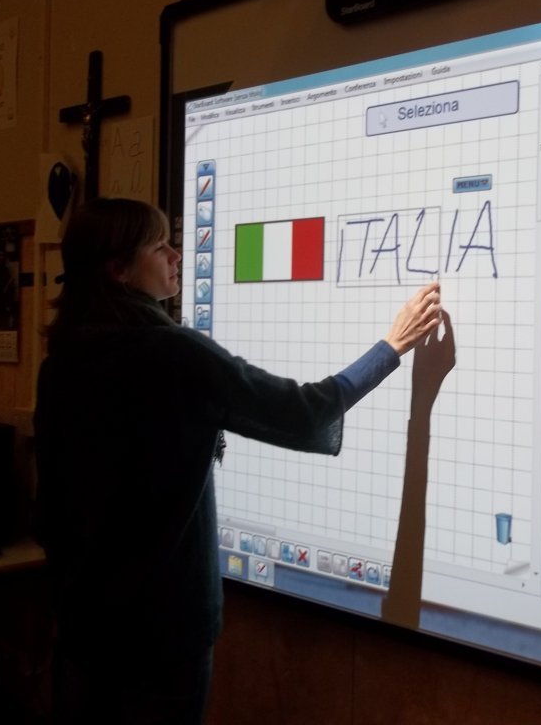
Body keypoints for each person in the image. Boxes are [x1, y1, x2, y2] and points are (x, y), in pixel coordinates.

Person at [34, 197, 442, 724]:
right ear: (119, 270)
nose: (177, 255)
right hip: (161, 637)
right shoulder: (171, 354)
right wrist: (391, 346)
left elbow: (52, 512)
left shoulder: (63, 362)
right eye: (159, 247)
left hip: (83, 630)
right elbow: (302, 413)